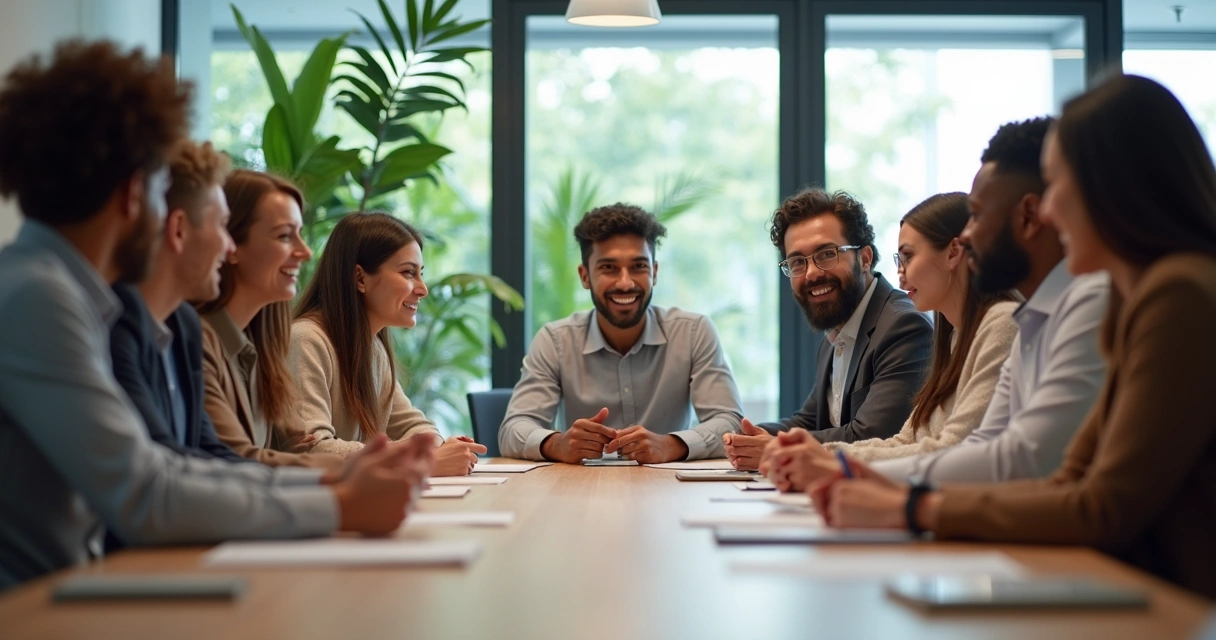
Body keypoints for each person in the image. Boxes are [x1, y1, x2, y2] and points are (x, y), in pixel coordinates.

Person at [0, 40, 432, 589]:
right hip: (36, 608)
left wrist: (339, 489)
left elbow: (183, 464)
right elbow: (145, 492)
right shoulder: (41, 298)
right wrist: (342, 504)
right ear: (136, 195)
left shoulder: (60, 290)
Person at [809, 75, 1216, 600]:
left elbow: (1099, 505)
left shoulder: (1176, 293)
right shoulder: (1120, 301)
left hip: (1175, 607)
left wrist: (910, 505)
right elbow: (1065, 478)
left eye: (1058, 184)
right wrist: (887, 491)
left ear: (1112, 186)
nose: (1046, 211)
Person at [868, 117, 1109, 484]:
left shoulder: (1079, 305)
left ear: (1028, 216)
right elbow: (983, 447)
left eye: (977, 216)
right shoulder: (1033, 318)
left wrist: (856, 477)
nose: (967, 236)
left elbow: (1022, 459)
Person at [761, 193, 1019, 489]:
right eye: (796, 262)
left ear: (953, 253)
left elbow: (954, 448)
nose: (900, 272)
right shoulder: (954, 337)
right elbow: (907, 440)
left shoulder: (999, 324)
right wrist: (807, 453)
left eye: (907, 256)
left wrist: (827, 461)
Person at [499, 203, 744, 463]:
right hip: (578, 491)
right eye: (608, 268)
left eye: (639, 266)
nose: (625, 283)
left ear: (655, 272)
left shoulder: (694, 332)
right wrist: (556, 444)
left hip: (669, 492)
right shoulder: (555, 340)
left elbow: (729, 422)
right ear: (585, 276)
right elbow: (513, 429)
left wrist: (671, 445)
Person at [724, 189, 934, 469]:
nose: (811, 273)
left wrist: (775, 448)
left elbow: (874, 435)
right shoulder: (837, 333)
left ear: (865, 258)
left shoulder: (903, 326)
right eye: (797, 262)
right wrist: (748, 438)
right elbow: (809, 422)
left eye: (826, 254)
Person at [290, 212, 486, 475]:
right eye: (408, 273)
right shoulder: (306, 340)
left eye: (421, 274)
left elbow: (417, 426)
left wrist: (435, 448)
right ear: (360, 279)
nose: (422, 289)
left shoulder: (373, 349)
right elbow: (313, 450)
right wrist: (421, 460)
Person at [109, 139, 246, 462]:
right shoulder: (112, 325)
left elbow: (207, 449)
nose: (230, 247)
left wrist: (330, 483)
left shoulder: (185, 323)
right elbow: (164, 462)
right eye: (224, 226)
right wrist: (335, 494)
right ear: (179, 230)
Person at [194, 170, 341, 468]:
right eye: (285, 236)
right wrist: (365, 463)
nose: (306, 252)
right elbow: (236, 462)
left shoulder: (259, 351)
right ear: (230, 244)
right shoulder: (197, 342)